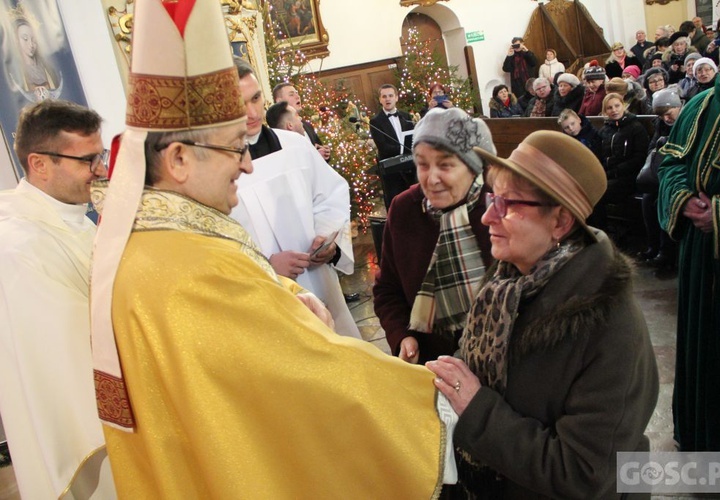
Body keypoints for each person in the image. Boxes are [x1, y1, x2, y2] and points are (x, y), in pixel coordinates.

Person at [89, 1, 455, 496]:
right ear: (177, 158)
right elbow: (305, 378)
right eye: (233, 148)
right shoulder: (198, 268)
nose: (247, 165)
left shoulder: (144, 246)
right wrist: (428, 402)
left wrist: (284, 299)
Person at [427, 130, 659, 498]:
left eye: (509, 204)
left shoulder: (609, 327)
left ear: (560, 222)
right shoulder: (510, 282)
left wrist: (476, 410)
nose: (487, 216)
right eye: (492, 198)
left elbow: (583, 474)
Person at [0, 100, 115, 498]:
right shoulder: (17, 245)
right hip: (92, 444)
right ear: (40, 164)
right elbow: (71, 351)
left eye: (99, 156)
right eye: (87, 160)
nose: (100, 169)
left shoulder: (72, 218)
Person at [658, 2, 720, 473]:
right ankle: (703, 444)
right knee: (703, 354)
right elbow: (671, 162)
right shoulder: (698, 103)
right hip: (700, 259)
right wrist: (684, 202)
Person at [232, 60, 361, 338]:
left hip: (318, 279)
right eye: (239, 103)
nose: (253, 113)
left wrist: (328, 242)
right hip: (266, 296)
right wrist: (266, 267)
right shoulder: (216, 164)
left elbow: (330, 196)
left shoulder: (295, 145)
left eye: (255, 98)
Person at [373, 107, 495, 364]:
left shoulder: (498, 207)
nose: (432, 178)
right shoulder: (405, 208)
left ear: (473, 167)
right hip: (432, 363)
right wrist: (403, 336)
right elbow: (387, 289)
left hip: (498, 361)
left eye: (445, 165)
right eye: (422, 164)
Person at [636, 87, 681, 274]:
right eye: (662, 116)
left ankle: (667, 253)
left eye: (669, 114)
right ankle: (653, 247)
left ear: (678, 107)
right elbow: (652, 148)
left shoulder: (688, 121)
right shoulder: (661, 124)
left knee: (663, 199)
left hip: (678, 175)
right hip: (663, 173)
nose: (666, 119)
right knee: (647, 199)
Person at [589, 92, 650, 228]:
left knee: (597, 194)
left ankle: (601, 234)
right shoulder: (604, 130)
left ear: (623, 106)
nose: (614, 110)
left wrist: (613, 172)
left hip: (628, 177)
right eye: (610, 108)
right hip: (608, 176)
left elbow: (639, 158)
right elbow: (597, 156)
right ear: (605, 111)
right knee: (584, 189)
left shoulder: (636, 128)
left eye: (617, 106)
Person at [272, 82, 331, 161]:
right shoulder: (278, 133)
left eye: (297, 93)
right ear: (279, 101)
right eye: (291, 94)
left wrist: (325, 153)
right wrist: (315, 156)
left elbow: (320, 152)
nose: (297, 97)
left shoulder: (307, 126)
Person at [13, 14, 59, 101]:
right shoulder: (18, 72)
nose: (31, 45)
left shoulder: (46, 69)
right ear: (17, 41)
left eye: (33, 39)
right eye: (25, 39)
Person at [369, 83, 414, 161]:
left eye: (390, 96)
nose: (387, 99)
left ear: (396, 98)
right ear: (380, 100)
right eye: (384, 96)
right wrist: (404, 150)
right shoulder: (375, 121)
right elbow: (383, 148)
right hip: (391, 165)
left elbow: (412, 138)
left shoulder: (405, 116)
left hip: (410, 161)